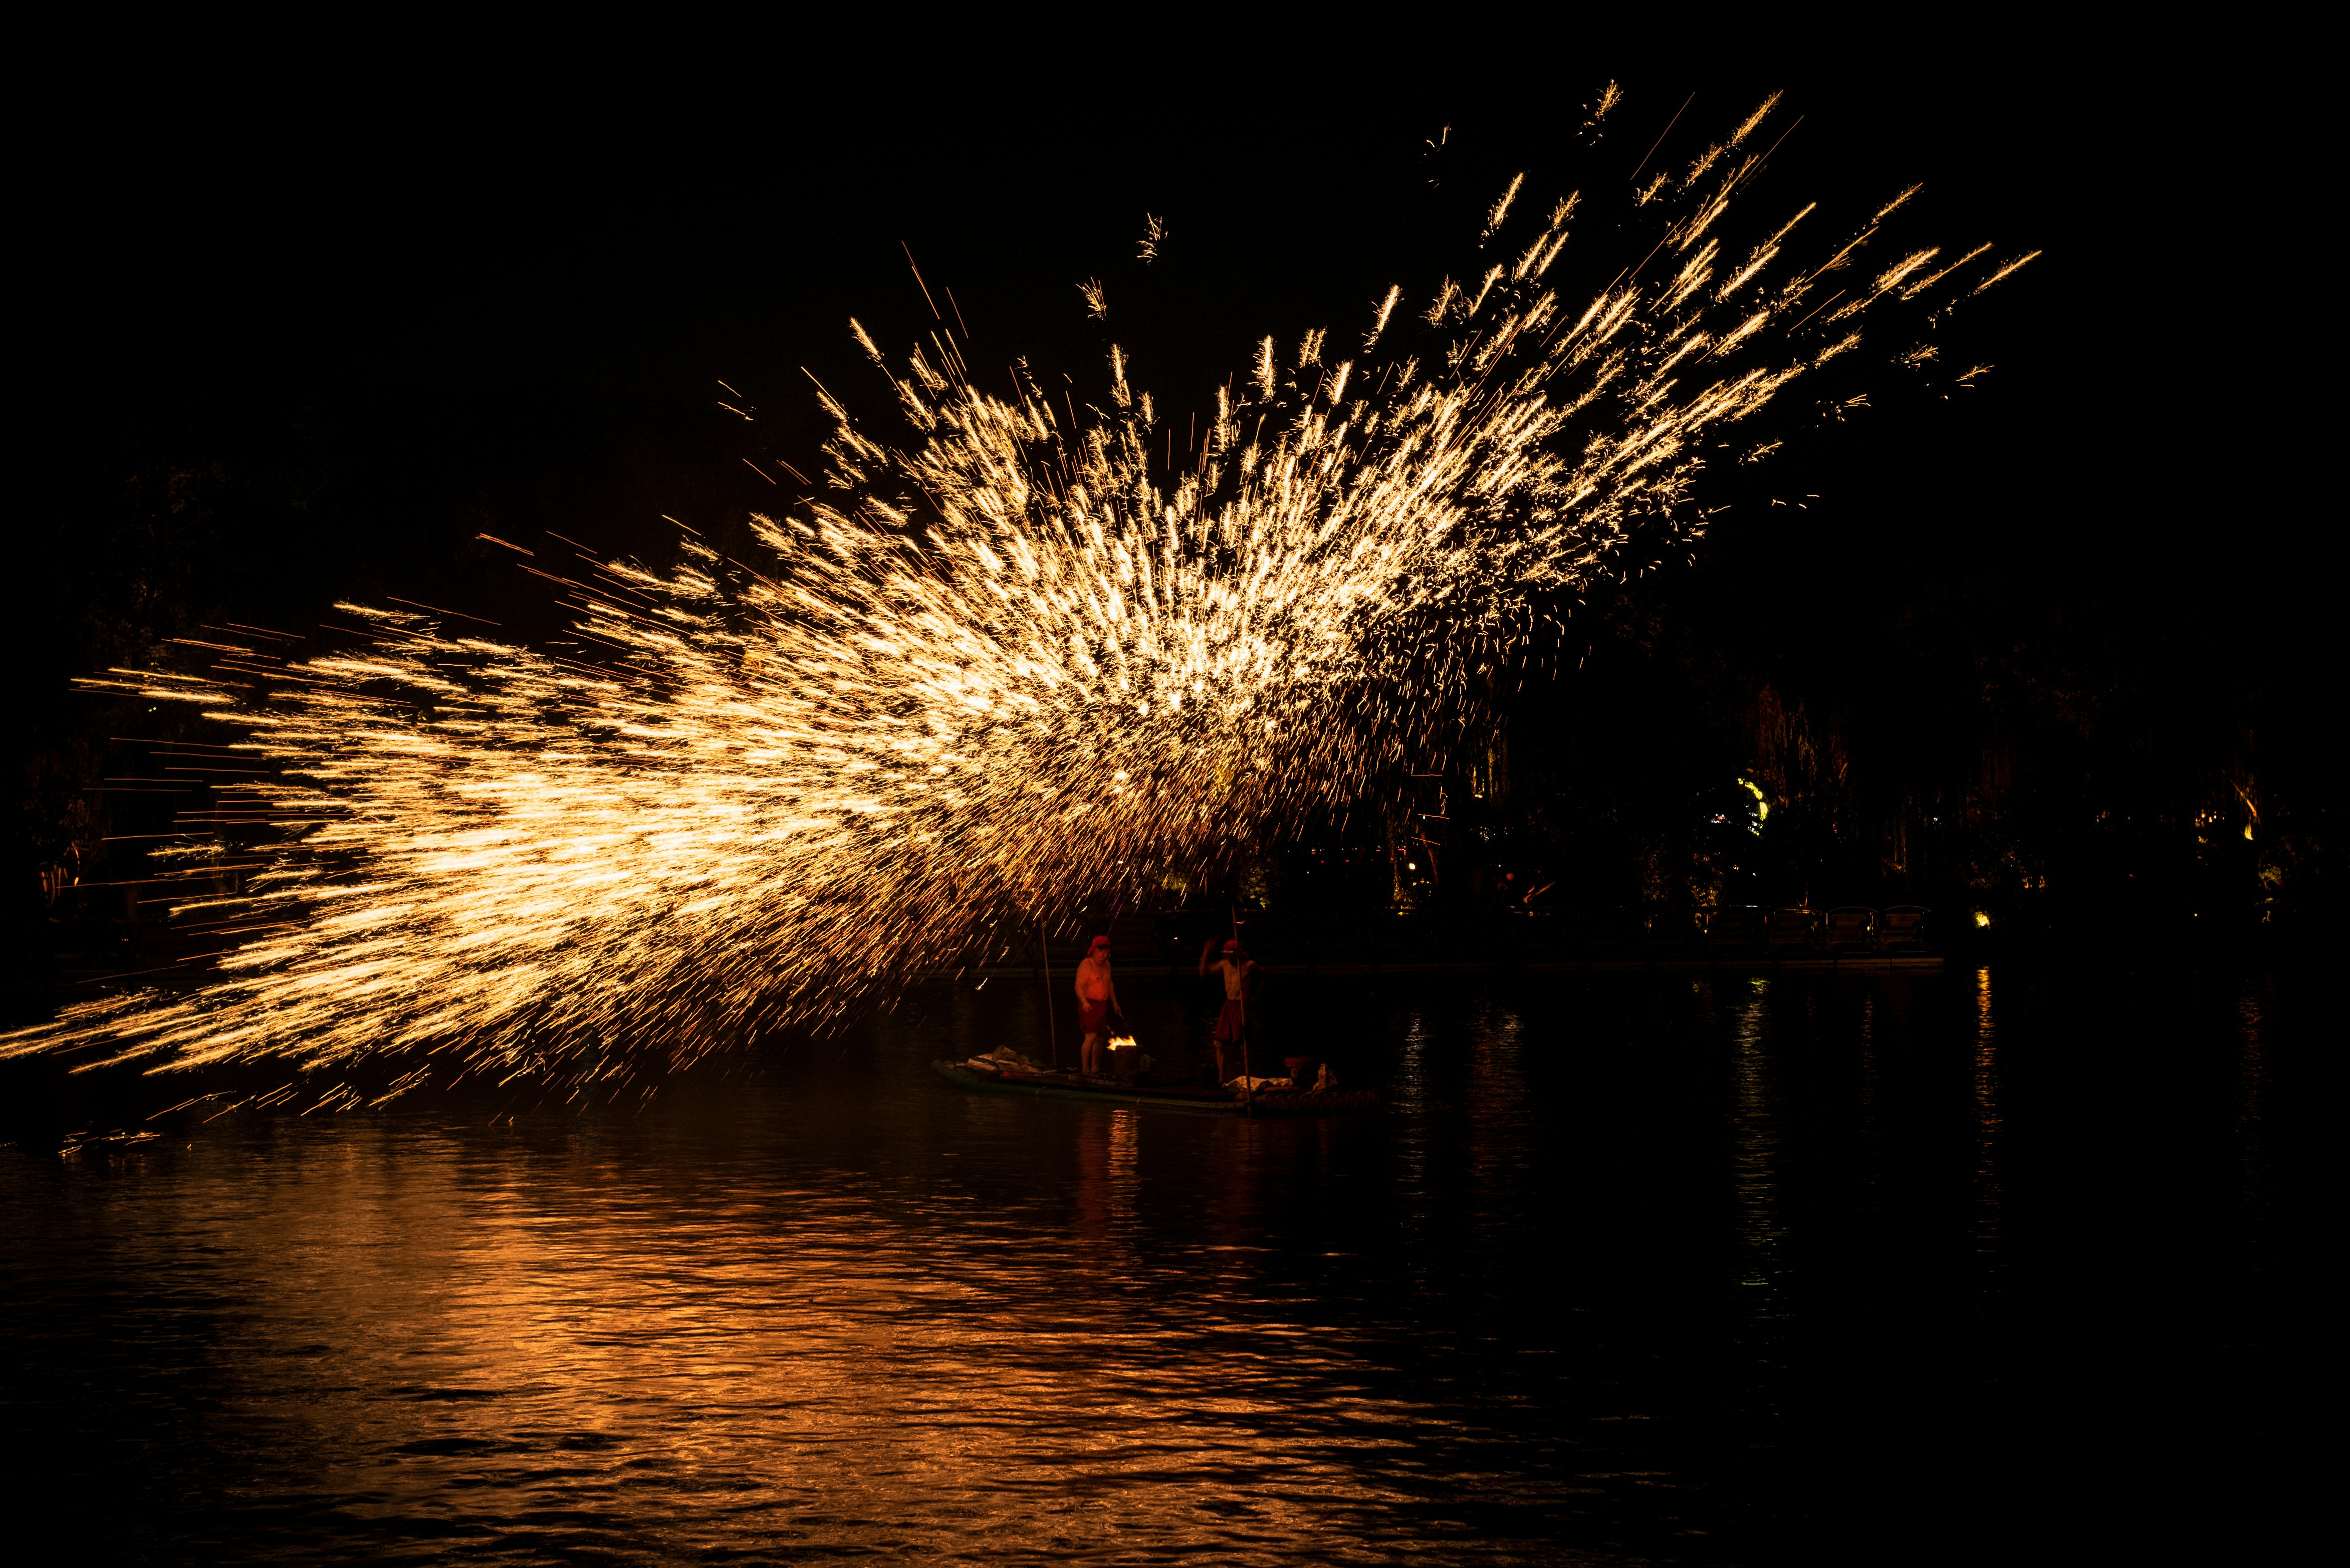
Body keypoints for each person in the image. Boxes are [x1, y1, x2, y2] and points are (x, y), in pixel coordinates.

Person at [1198, 937, 1262, 1084]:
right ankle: (1222, 1079)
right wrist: (1206, 954)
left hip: (1242, 1005)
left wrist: (1256, 995)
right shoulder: (1224, 965)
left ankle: (1250, 1077)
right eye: (1225, 954)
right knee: (1219, 1044)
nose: (1227, 957)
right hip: (1229, 1005)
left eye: (1229, 954)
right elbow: (1204, 973)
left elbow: (1264, 976)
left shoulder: (1249, 965)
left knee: (1243, 1044)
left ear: (1236, 954)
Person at [1074, 933, 1122, 1077]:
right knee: (1091, 1036)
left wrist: (1115, 1003)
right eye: (1101, 952)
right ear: (1094, 950)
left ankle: (1095, 1069)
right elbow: (1078, 986)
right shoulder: (1086, 965)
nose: (1103, 955)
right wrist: (1084, 1002)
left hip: (1103, 1005)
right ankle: (1085, 1069)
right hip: (1089, 1004)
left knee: (1101, 1038)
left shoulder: (1107, 965)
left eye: (1106, 952)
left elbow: (1110, 984)